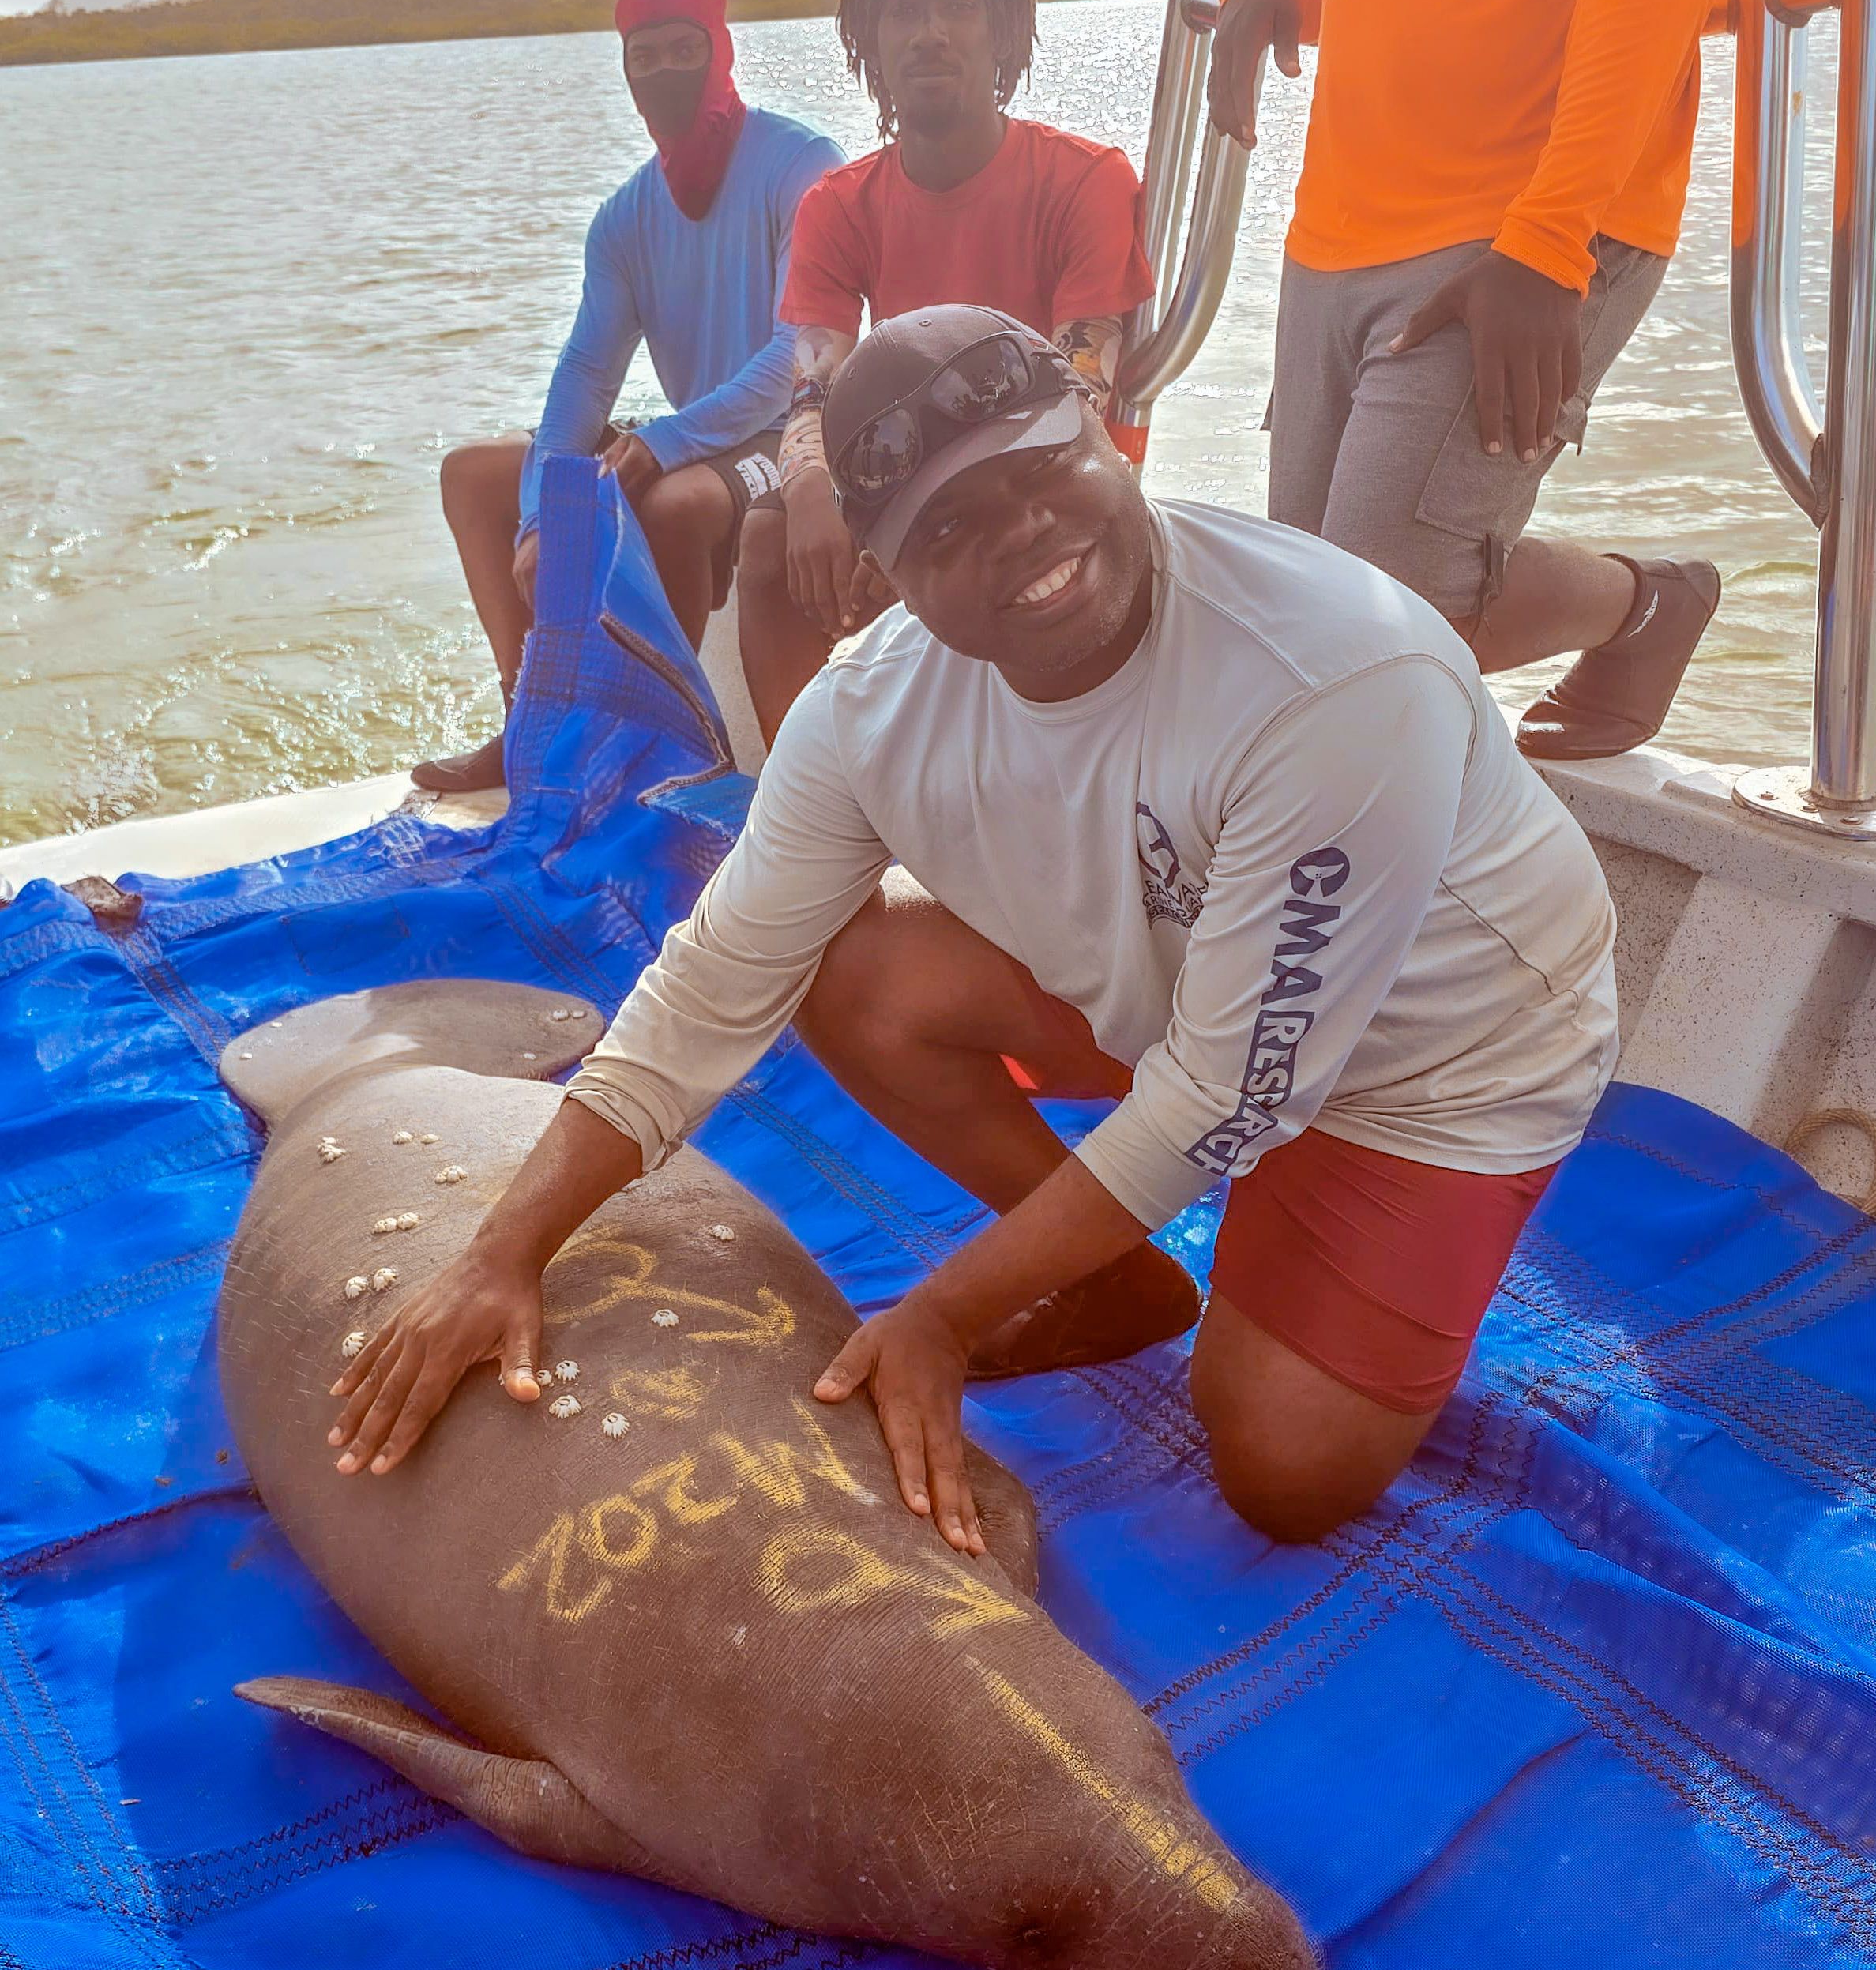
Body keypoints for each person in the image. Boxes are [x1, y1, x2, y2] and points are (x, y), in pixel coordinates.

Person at [329, 306, 1620, 1561]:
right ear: (881, 573)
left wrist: (941, 1315)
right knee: (847, 965)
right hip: (1190, 1002)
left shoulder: (1338, 672)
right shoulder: (868, 712)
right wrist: (501, 1250)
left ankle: (1289, 1250)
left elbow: (1223, 1101)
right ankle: (1121, 1280)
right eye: (951, 521)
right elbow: (717, 980)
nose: (1026, 532)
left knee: (1282, 1469)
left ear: (1109, 439)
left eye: (1046, 466)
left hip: (1442, 1056)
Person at [1207, 0, 1739, 761]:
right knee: (1303, 619)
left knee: (1375, 625)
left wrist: (1546, 239)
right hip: (1335, 234)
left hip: (1515, 231)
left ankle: (1644, 606)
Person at [735, 0, 1153, 749]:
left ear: (1002, 29)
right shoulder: (839, 206)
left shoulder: (1086, 181)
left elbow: (1084, 390)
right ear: (870, 44)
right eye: (903, 11)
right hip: (915, 473)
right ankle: (803, 820)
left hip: (1057, 477)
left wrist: (921, 529)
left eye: (959, 5)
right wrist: (815, 484)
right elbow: (816, 366)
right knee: (771, 537)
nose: (930, 32)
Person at [416, 0, 845, 792]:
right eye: (641, 60)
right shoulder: (623, 219)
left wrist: (666, 442)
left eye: (683, 51)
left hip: (786, 433)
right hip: (693, 435)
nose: (662, 76)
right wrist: (538, 519)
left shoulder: (802, 165)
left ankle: (675, 757)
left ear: (720, 52)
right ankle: (526, 728)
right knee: (475, 478)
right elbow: (584, 375)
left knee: (674, 503)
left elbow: (800, 348)